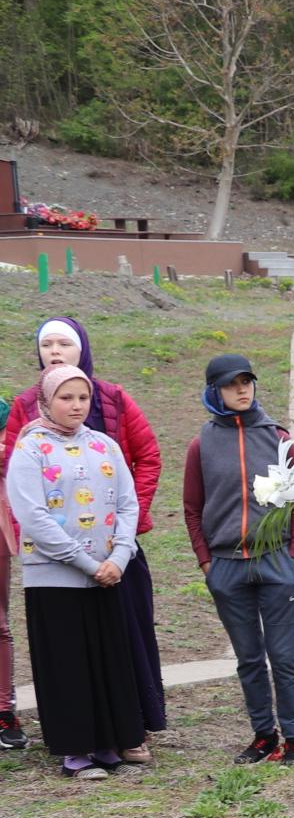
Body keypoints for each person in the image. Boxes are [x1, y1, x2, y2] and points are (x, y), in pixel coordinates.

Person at [7, 318, 168, 755]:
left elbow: (132, 489)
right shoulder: (30, 441)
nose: (77, 405)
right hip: (58, 567)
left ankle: (125, 733)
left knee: (116, 647)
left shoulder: (106, 432)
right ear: (45, 399)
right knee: (69, 659)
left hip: (113, 560)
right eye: (66, 397)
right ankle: (78, 747)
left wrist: (122, 548)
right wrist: (80, 559)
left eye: (82, 397)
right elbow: (28, 506)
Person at [182, 355, 294, 765]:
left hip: (276, 563)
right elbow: (191, 507)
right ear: (212, 391)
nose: (242, 390)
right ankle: (263, 736)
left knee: (285, 657)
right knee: (249, 658)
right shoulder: (201, 445)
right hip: (226, 566)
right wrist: (207, 563)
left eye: (247, 382)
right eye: (230, 384)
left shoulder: (278, 438)